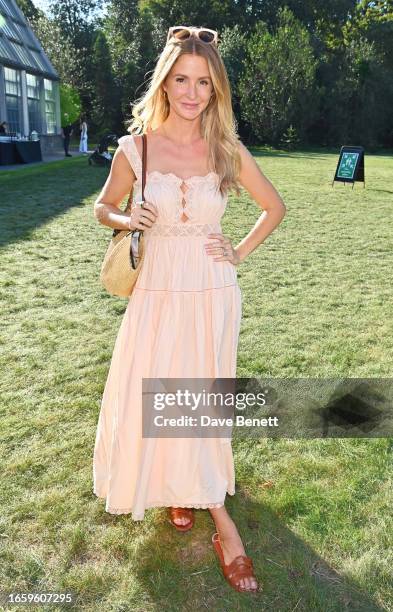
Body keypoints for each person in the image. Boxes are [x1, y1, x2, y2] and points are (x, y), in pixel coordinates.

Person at [93, 26, 286, 594]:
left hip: (212, 290)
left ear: (216, 88)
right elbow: (104, 207)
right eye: (182, 79)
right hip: (156, 291)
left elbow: (273, 208)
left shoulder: (226, 148)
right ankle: (179, 491)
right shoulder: (139, 149)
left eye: (204, 82)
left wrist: (238, 250)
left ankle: (220, 520)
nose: (192, 92)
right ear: (165, 82)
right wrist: (128, 220)